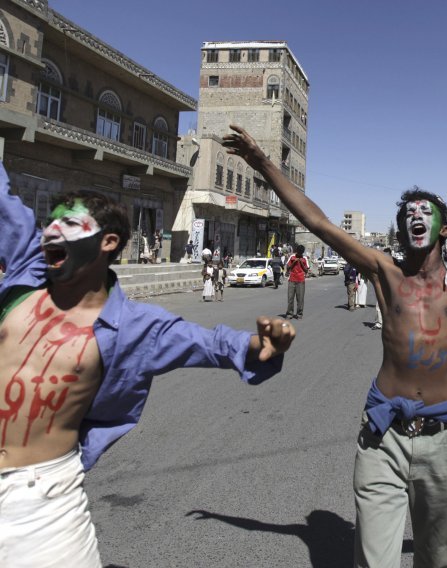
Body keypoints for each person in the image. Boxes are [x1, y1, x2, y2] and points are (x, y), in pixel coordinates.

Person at [222, 94, 447, 568]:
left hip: (444, 438)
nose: (416, 216)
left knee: (439, 560)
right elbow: (317, 221)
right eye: (408, 213)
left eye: (425, 211)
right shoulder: (383, 273)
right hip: (383, 435)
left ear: (445, 228)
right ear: (399, 229)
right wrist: (262, 161)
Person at [0, 162, 295, 567]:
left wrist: (261, 346)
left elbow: (211, 344)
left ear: (108, 242)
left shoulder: (139, 327)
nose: (51, 231)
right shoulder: (23, 278)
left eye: (68, 224)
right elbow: (4, 199)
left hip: (43, 503)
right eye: (49, 223)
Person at [285, 245, 309, 320]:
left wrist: (301, 263)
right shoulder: (292, 257)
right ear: (296, 251)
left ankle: (299, 314)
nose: (299, 254)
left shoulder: (304, 258)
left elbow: (306, 270)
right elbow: (288, 268)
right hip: (292, 280)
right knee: (290, 298)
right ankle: (289, 314)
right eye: (298, 253)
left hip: (301, 280)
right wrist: (294, 262)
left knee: (300, 299)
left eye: (301, 253)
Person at [372, 247, 392, 330]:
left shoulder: (386, 264)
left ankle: (380, 323)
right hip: (388, 289)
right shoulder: (392, 263)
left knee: (379, 306)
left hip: (386, 289)